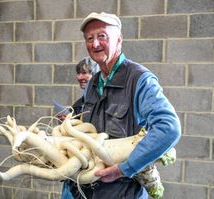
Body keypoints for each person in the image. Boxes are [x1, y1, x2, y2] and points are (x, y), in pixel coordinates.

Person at [61, 12, 181, 199]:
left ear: (119, 40)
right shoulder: (93, 83)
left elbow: (169, 128)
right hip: (88, 191)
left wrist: (124, 169)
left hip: (123, 193)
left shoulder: (139, 79)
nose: (95, 44)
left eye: (102, 36)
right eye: (89, 38)